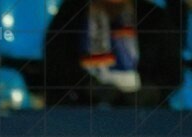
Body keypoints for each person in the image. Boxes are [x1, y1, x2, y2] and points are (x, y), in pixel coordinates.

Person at [43, 0, 182, 107]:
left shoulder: (153, 16)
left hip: (144, 112)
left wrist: (153, 91)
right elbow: (56, 62)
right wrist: (86, 86)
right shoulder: (72, 14)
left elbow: (172, 69)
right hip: (80, 109)